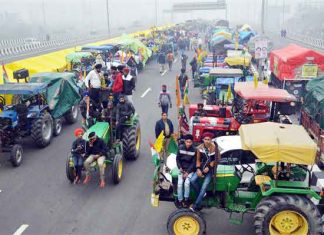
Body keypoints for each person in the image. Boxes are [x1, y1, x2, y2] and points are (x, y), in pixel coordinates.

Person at [190, 132, 220, 211]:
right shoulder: (199, 148)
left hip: (210, 170)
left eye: (208, 139)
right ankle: (202, 194)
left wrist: (209, 167)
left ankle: (196, 205)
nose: (207, 141)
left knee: (204, 186)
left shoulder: (214, 148)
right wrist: (198, 169)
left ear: (211, 140)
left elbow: (215, 160)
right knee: (192, 180)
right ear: (203, 140)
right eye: (205, 139)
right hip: (201, 168)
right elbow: (198, 160)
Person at [176, 134, 196, 208]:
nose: (188, 143)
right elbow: (177, 159)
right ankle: (180, 200)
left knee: (187, 183)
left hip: (190, 170)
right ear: (185, 142)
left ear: (192, 142)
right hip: (181, 169)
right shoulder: (180, 148)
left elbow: (193, 163)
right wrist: (180, 168)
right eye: (187, 142)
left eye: (190, 142)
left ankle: (186, 199)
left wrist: (187, 172)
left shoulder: (194, 150)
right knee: (180, 184)